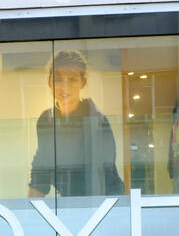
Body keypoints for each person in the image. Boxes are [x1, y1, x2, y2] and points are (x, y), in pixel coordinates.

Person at [27, 50, 122, 198]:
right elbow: (42, 167)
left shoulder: (95, 119)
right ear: (49, 82)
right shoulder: (46, 119)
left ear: (82, 82)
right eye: (58, 79)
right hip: (70, 202)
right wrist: (29, 213)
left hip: (102, 200)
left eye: (72, 79)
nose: (64, 86)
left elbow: (100, 173)